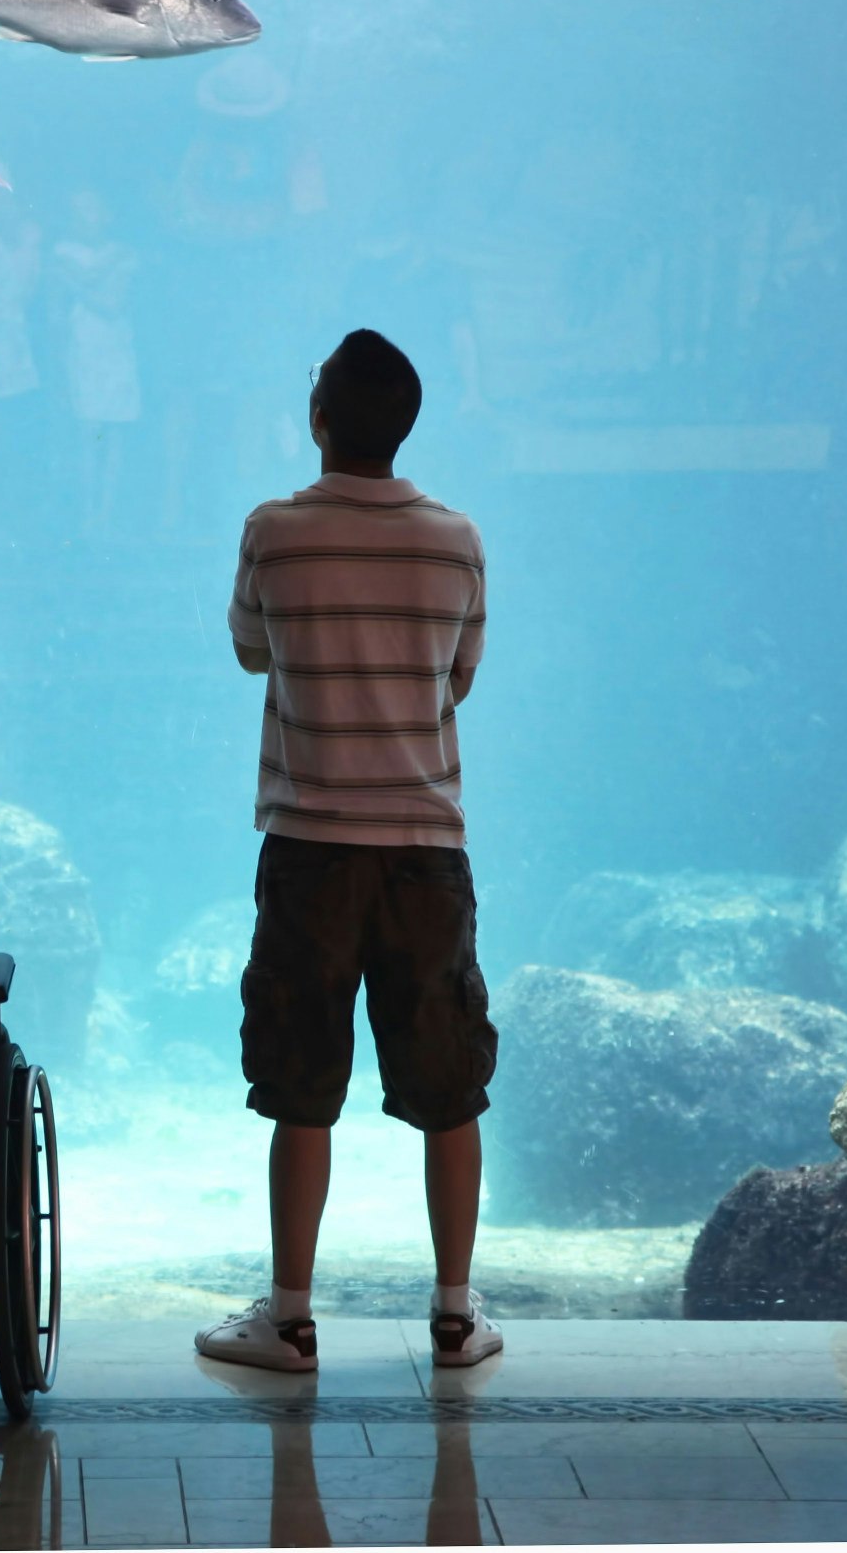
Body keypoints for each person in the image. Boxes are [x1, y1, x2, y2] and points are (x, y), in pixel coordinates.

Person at [195, 327, 502, 1375]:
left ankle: (288, 1317)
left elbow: (249, 649)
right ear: (407, 423)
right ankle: (456, 1315)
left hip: (309, 843)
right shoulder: (457, 536)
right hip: (424, 843)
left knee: (300, 1077)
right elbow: (457, 677)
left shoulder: (274, 531)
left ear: (318, 420)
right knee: (450, 1079)